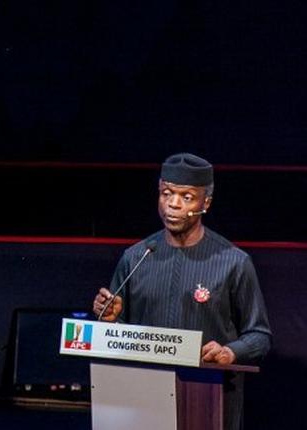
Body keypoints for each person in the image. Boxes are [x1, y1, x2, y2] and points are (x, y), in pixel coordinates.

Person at [92, 153, 272, 430]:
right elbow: (118, 337)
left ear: (205, 203)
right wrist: (110, 321)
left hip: (207, 405)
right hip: (142, 403)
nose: (173, 205)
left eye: (186, 197)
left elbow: (259, 336)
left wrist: (230, 352)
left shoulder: (233, 262)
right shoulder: (136, 257)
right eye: (166, 193)